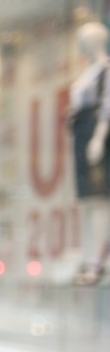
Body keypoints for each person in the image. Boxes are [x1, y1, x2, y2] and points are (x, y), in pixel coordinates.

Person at [70, 21, 110, 285]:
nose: (82, 47)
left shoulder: (106, 70)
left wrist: (98, 139)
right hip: (82, 135)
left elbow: (107, 106)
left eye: (86, 41)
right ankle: (89, 260)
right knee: (87, 202)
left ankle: (98, 264)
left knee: (99, 201)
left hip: (97, 137)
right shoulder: (88, 72)